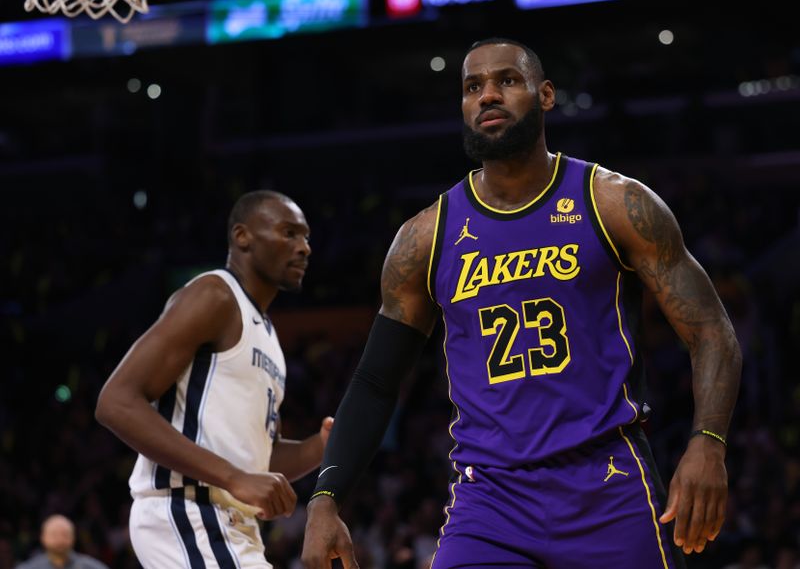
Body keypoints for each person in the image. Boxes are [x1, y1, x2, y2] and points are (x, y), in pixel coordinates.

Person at [301, 38, 741, 569]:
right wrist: (326, 500)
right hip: (490, 502)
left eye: (506, 80)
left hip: (608, 485)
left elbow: (711, 330)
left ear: (546, 94)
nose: (488, 95)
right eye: (472, 87)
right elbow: (375, 381)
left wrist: (708, 442)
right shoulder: (425, 239)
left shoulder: (614, 203)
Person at [96, 190, 333, 568]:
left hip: (232, 527)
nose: (304, 247)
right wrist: (234, 478)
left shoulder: (269, 338)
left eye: (306, 237)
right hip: (188, 512)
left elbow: (258, 459)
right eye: (289, 233)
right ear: (243, 237)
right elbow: (116, 403)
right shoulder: (215, 295)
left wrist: (319, 447)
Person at [16, 514, 108, 569]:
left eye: (64, 534)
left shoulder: (90, 567)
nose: (60, 539)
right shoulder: (29, 567)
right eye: (54, 535)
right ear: (43, 538)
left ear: (73, 538)